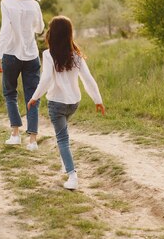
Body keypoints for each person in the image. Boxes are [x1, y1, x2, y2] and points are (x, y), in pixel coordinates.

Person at [27, 16, 105, 190]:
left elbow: (46, 79)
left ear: (52, 34)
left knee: (62, 139)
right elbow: (88, 80)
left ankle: (72, 175)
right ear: (69, 34)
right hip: (73, 103)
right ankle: (65, 163)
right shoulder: (76, 56)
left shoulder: (48, 55)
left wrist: (34, 97)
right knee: (63, 135)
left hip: (56, 104)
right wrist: (97, 100)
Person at [0, 0, 45, 151]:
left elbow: (5, 30)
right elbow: (40, 29)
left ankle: (15, 135)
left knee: (10, 94)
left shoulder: (6, 3)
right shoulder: (34, 4)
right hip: (31, 55)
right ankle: (32, 140)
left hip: (11, 54)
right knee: (33, 97)